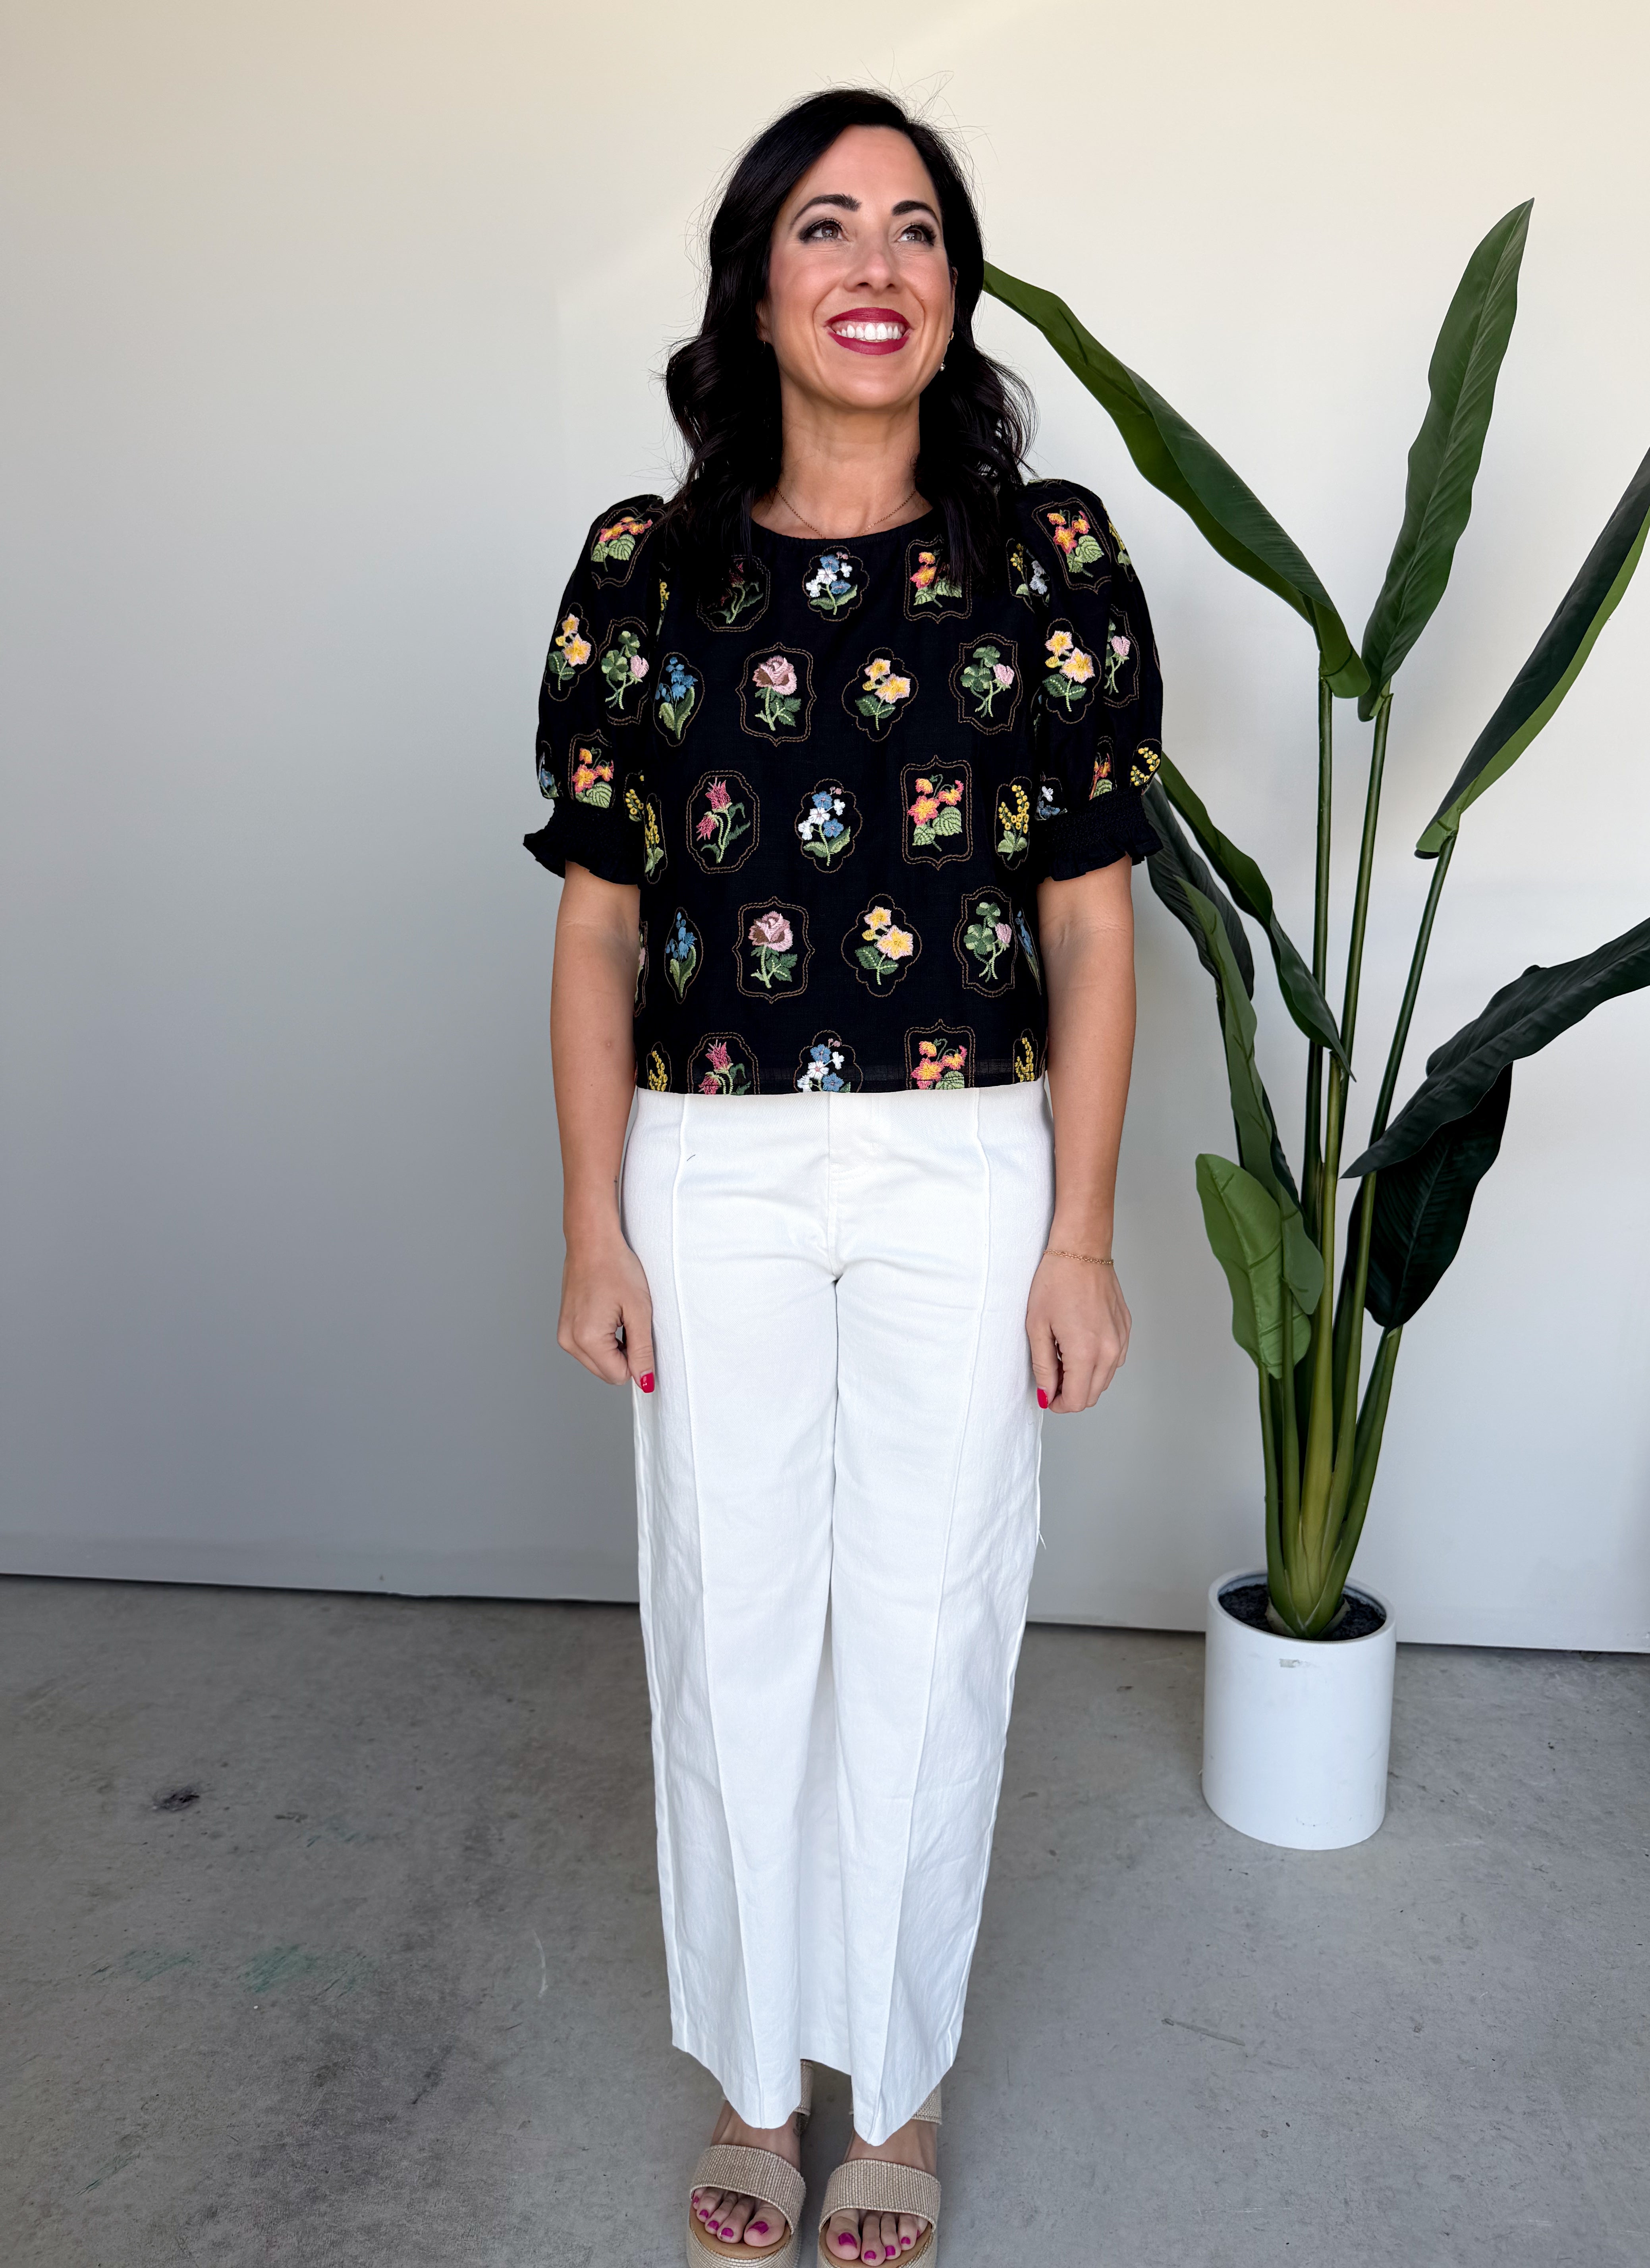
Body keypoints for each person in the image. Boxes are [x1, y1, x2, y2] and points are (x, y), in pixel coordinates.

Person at [528, 87, 1163, 2268]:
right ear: (756, 285)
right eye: (826, 225)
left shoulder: (1048, 562)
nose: (875, 263)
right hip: (706, 1155)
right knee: (730, 1628)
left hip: (964, 1153)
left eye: (915, 227)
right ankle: (750, 2080)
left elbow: (1092, 921)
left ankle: (889, 2088)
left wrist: (1082, 1233)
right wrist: (593, 1219)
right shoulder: (646, 569)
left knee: (928, 1619)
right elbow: (599, 923)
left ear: (954, 292)